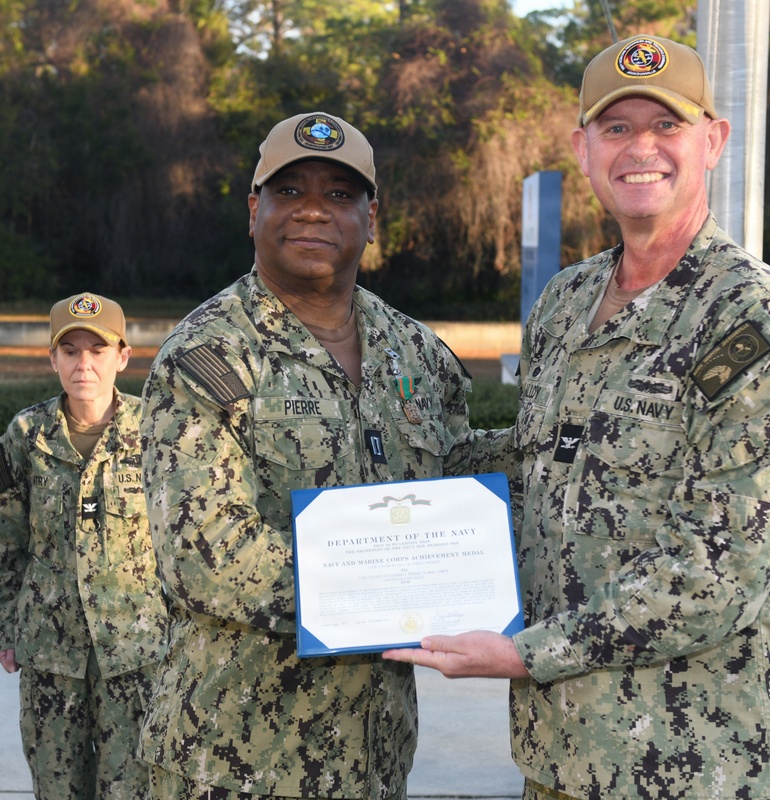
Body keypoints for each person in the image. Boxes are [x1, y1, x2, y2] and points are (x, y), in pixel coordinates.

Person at [384, 34, 770, 799]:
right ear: (583, 148)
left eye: (667, 126)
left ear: (714, 141)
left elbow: (719, 569)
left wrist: (525, 654)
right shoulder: (565, 303)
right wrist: (388, 497)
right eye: (617, 128)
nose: (641, 149)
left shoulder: (755, 320)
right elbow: (544, 466)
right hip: (563, 753)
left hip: (705, 758)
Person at [138, 111, 507, 799]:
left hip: (375, 755)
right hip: (233, 760)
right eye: (290, 191)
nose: (313, 211)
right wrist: (393, 590)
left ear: (372, 217)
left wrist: (564, 441)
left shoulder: (418, 355)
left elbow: (462, 486)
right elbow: (206, 557)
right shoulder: (205, 358)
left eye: (339, 194)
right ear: (255, 211)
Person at [0, 292, 168, 799]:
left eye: (97, 351)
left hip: (136, 649)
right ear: (52, 359)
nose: (84, 364)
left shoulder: (157, 431)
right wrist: (7, 624)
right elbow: (7, 541)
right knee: (57, 788)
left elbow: (185, 539)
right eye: (70, 351)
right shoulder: (27, 435)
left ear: (122, 356)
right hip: (51, 652)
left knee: (132, 789)